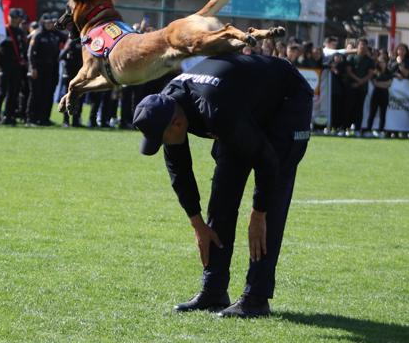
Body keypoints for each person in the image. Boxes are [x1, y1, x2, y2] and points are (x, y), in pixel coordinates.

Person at [133, 53, 313, 318]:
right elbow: (179, 169)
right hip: (244, 103)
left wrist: (258, 213)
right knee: (222, 196)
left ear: (177, 123)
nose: (162, 144)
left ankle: (256, 298)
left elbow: (266, 160)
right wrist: (197, 224)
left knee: (272, 199)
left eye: (162, 138)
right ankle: (214, 289)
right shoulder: (165, 103)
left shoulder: (214, 108)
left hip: (287, 99)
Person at [0, 8, 28, 125]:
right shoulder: (3, 31)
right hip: (3, 66)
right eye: (14, 18)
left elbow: (24, 49)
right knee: (1, 92)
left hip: (16, 66)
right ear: (9, 18)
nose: (16, 20)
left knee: (14, 92)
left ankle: (9, 116)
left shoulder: (20, 32)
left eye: (18, 18)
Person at [27, 13, 63, 126]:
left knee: (48, 94)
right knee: (36, 94)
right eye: (47, 22)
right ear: (43, 22)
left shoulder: (54, 35)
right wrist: (32, 68)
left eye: (51, 22)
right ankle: (31, 119)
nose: (50, 24)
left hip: (51, 69)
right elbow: (30, 53)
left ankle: (44, 118)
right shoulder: (38, 35)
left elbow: (68, 38)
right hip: (38, 68)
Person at [345, 38, 374, 136]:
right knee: (349, 107)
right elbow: (349, 71)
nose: (363, 47)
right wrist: (358, 80)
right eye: (361, 45)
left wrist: (361, 82)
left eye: (364, 45)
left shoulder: (369, 60)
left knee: (359, 109)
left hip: (362, 88)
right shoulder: (351, 58)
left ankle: (357, 129)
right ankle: (347, 128)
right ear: (357, 46)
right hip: (351, 87)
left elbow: (370, 74)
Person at [59, 24, 84, 127]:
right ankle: (66, 120)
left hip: (81, 74)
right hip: (71, 74)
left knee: (80, 97)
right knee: (68, 96)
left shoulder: (85, 42)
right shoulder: (71, 42)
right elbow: (62, 56)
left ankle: (76, 120)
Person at [365, 52, 392, 137]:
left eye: (383, 61)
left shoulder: (389, 72)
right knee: (372, 112)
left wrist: (381, 84)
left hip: (384, 94)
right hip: (376, 93)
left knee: (383, 114)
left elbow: (389, 84)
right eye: (380, 62)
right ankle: (368, 130)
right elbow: (374, 83)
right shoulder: (375, 71)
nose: (381, 63)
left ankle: (381, 131)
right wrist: (383, 84)